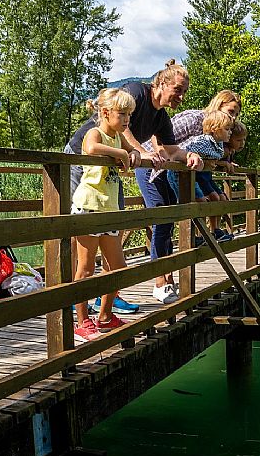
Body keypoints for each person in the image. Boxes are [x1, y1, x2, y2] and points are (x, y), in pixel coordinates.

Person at [69, 59, 205, 305]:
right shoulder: (135, 92)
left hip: (108, 169)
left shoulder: (161, 117)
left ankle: (107, 296)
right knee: (77, 230)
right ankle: (71, 297)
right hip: (81, 159)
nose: (181, 97)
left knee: (116, 222)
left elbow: (171, 148)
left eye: (184, 92)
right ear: (162, 84)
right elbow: (122, 129)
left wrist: (191, 155)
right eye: (178, 90)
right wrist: (136, 152)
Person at [70, 88, 142, 342]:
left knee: (118, 266)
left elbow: (132, 151)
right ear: (104, 113)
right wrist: (122, 153)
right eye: (122, 114)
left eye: (129, 116)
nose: (126, 121)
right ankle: (81, 321)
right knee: (86, 267)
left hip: (109, 209)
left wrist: (132, 152)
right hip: (89, 207)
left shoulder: (117, 137)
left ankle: (104, 315)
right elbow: (90, 148)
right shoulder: (96, 132)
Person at [166, 111, 235, 244]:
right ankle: (196, 236)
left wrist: (219, 163)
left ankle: (208, 233)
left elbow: (211, 159)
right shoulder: (203, 141)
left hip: (193, 175)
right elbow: (184, 152)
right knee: (197, 203)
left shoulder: (218, 143)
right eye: (227, 129)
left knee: (208, 200)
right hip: (179, 175)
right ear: (215, 129)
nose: (230, 132)